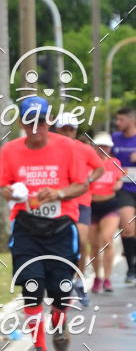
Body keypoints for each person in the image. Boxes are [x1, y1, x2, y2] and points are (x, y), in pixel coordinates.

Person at [0, 97, 88, 351]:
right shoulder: (10, 151)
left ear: (49, 122)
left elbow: (82, 185)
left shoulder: (68, 147)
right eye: (30, 121)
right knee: (32, 286)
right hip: (26, 226)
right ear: (21, 123)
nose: (36, 127)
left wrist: (58, 193)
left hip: (60, 227)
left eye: (41, 121)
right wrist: (13, 192)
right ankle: (39, 349)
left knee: (61, 288)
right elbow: (3, 187)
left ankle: (59, 323)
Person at [54, 113, 103, 306]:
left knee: (81, 241)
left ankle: (79, 282)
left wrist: (88, 180)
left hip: (81, 200)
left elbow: (99, 168)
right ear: (57, 129)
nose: (67, 133)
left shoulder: (84, 149)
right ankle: (61, 282)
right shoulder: (49, 148)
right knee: (58, 244)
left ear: (75, 130)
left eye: (71, 129)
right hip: (57, 201)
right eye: (63, 129)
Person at [88, 133, 124, 293]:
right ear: (95, 147)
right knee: (94, 245)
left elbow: (119, 180)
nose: (103, 150)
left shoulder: (114, 162)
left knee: (107, 239)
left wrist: (117, 184)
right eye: (100, 146)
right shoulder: (88, 164)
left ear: (110, 148)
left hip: (109, 205)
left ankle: (107, 278)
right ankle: (97, 278)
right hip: (91, 206)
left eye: (106, 147)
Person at [111, 107, 136, 282]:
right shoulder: (114, 139)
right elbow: (107, 159)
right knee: (127, 228)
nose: (117, 123)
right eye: (116, 119)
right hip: (124, 189)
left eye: (121, 120)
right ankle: (131, 269)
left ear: (131, 120)